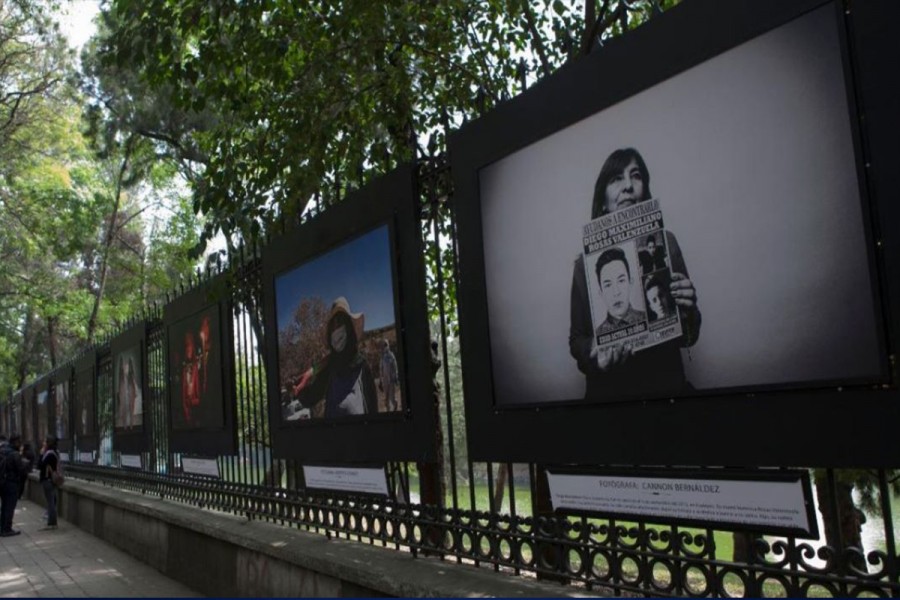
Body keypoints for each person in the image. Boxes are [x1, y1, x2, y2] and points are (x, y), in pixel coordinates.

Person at [570, 148, 701, 400]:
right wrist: (595, 353)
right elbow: (576, 340)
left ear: (645, 190)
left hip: (667, 394)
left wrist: (689, 310)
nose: (628, 186)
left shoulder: (667, 243)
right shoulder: (582, 266)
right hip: (609, 402)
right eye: (616, 178)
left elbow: (688, 338)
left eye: (636, 175)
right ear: (603, 201)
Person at [293, 297, 378, 418]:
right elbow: (311, 398)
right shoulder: (329, 367)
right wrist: (298, 391)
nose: (336, 330)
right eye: (333, 325)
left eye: (340, 323)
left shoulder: (362, 366)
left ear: (348, 327)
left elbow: (373, 407)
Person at [593, 248, 647, 335]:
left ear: (630, 283)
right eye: (608, 285)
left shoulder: (648, 318)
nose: (616, 292)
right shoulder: (597, 335)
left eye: (621, 281)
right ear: (601, 293)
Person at [0, 434, 29, 536]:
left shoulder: (2, 451)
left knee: (4, 506)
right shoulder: (15, 454)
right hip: (11, 483)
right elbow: (21, 470)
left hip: (2, 482)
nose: (20, 444)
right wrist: (25, 464)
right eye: (19, 442)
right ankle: (7, 529)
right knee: (9, 506)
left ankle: (2, 527)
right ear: (16, 442)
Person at [38, 435, 60, 531]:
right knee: (52, 500)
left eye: (45, 442)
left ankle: (52, 523)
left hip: (47, 479)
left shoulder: (49, 454)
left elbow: (40, 465)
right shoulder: (55, 452)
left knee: (51, 502)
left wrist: (41, 454)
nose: (44, 443)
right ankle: (52, 522)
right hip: (51, 480)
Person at [379, 339, 400, 411]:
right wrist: (381, 381)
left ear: (387, 345)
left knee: (392, 398)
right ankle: (388, 411)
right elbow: (381, 368)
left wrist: (395, 378)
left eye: (385, 345)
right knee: (386, 398)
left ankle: (395, 405)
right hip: (385, 381)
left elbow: (395, 367)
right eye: (383, 345)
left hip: (391, 380)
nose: (384, 346)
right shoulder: (382, 357)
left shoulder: (391, 355)